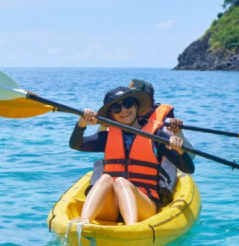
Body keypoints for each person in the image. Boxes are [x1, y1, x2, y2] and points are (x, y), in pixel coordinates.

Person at [69, 86, 194, 225]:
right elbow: (76, 144)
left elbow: (188, 169)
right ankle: (84, 220)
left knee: (122, 182)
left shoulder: (157, 136)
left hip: (145, 204)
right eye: (116, 108)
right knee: (105, 178)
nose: (123, 110)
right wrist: (81, 125)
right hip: (112, 208)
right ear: (111, 115)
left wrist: (181, 151)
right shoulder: (107, 136)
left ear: (136, 105)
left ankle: (131, 227)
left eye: (127, 103)